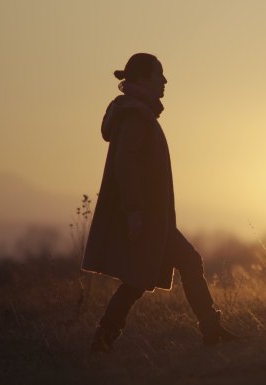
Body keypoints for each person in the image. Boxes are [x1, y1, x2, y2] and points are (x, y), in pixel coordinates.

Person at [82, 53, 238, 353]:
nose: (165, 81)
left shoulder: (136, 113)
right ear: (141, 79)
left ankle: (104, 341)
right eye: (159, 75)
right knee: (170, 268)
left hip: (153, 218)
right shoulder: (136, 116)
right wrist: (134, 213)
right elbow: (124, 166)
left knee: (140, 279)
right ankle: (210, 329)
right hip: (147, 218)